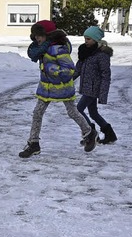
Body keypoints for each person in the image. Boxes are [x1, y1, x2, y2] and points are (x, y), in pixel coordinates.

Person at [20, 20, 98, 158]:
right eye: (35, 35)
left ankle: (89, 132)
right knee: (37, 113)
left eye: (40, 35)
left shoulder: (58, 49)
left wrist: (51, 69)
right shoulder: (42, 49)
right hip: (46, 88)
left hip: (62, 87)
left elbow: (69, 69)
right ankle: (33, 144)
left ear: (48, 35)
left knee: (72, 112)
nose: (37, 38)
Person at [74, 26, 117, 144]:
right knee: (93, 113)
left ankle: (90, 132)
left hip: (93, 89)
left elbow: (105, 75)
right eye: (85, 39)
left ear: (96, 40)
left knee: (78, 110)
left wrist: (103, 94)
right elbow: (77, 70)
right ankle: (110, 134)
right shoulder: (85, 52)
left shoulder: (102, 55)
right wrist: (67, 80)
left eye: (88, 39)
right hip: (86, 87)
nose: (86, 41)